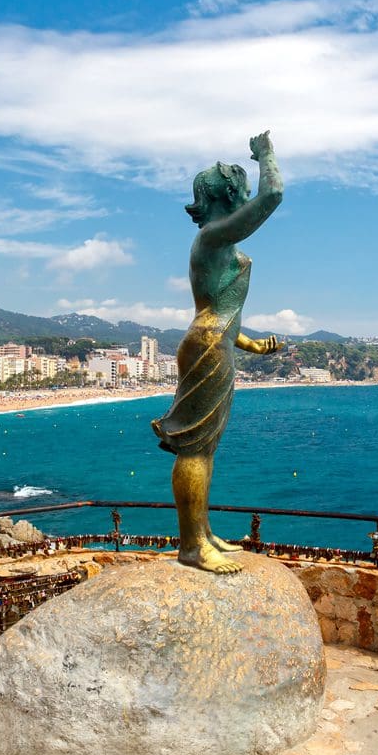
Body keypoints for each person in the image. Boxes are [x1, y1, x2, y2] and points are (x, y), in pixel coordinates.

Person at [151, 130, 284, 574]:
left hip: (215, 343)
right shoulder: (212, 237)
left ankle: (201, 533)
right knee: (194, 449)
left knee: (205, 449)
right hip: (206, 346)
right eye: (242, 185)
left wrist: (249, 343)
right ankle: (192, 546)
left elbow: (222, 308)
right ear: (231, 193)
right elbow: (273, 195)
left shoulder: (222, 245)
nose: (248, 191)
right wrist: (266, 155)